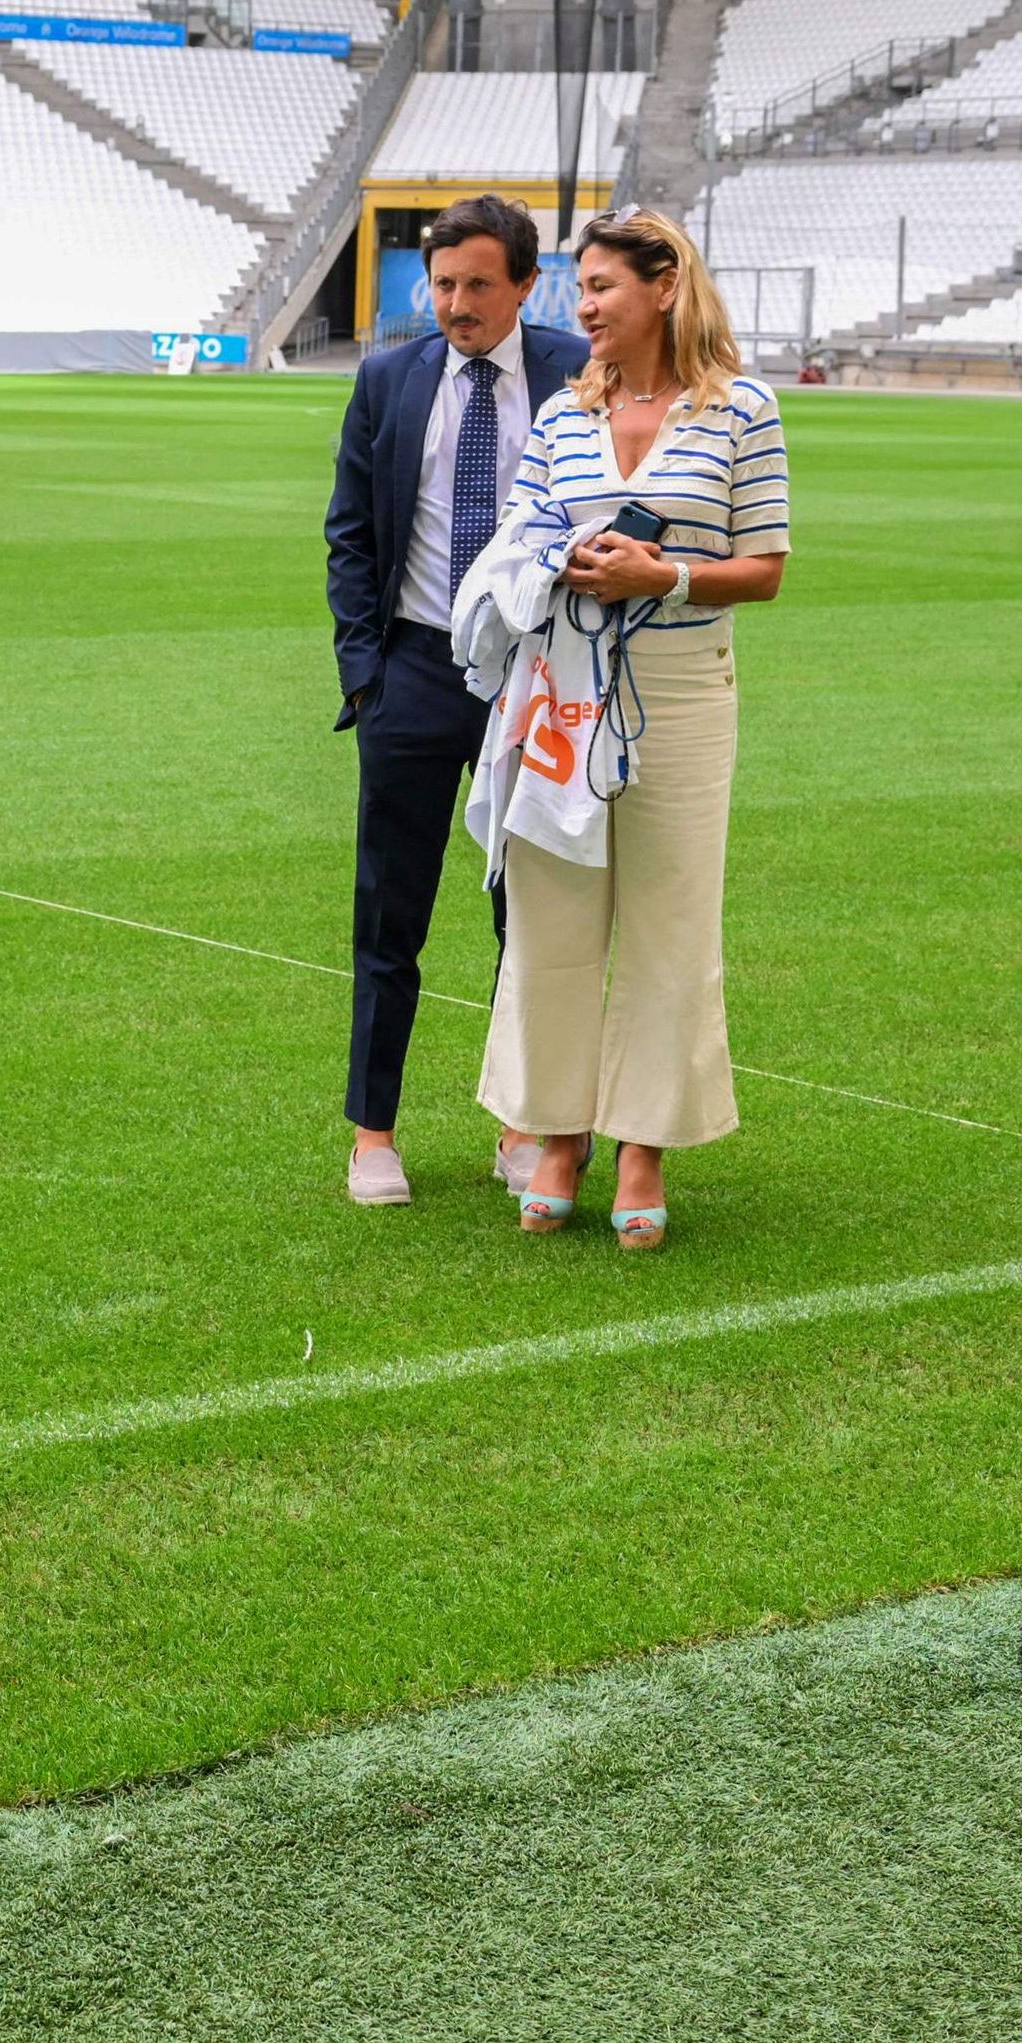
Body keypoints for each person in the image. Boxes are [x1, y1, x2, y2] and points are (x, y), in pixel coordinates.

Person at [475, 204, 786, 1251]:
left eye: (600, 287)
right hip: (565, 687)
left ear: (664, 286)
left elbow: (768, 569)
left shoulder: (744, 411)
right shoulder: (565, 414)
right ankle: (555, 1133)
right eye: (579, 288)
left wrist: (668, 572)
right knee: (554, 913)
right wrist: (561, 559)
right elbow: (516, 535)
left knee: (669, 922)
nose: (582, 309)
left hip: (684, 688)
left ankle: (643, 1145)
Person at [319, 194, 582, 1210]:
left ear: (525, 283)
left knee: (534, 913)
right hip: (416, 675)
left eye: (479, 283)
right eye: (443, 284)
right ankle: (372, 1135)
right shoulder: (389, 378)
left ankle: (525, 1122)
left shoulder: (574, 377)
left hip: (537, 675)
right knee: (391, 911)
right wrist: (365, 675)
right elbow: (350, 533)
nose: (458, 304)